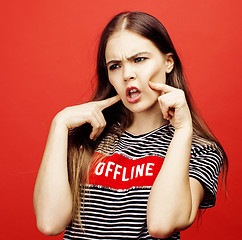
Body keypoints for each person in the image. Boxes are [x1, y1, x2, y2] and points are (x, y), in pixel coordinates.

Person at [33, 11, 228, 240]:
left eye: (139, 60)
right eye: (115, 66)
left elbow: (162, 224)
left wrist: (183, 130)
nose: (127, 74)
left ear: (168, 63)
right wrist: (59, 124)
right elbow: (49, 222)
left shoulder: (200, 150)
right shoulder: (88, 136)